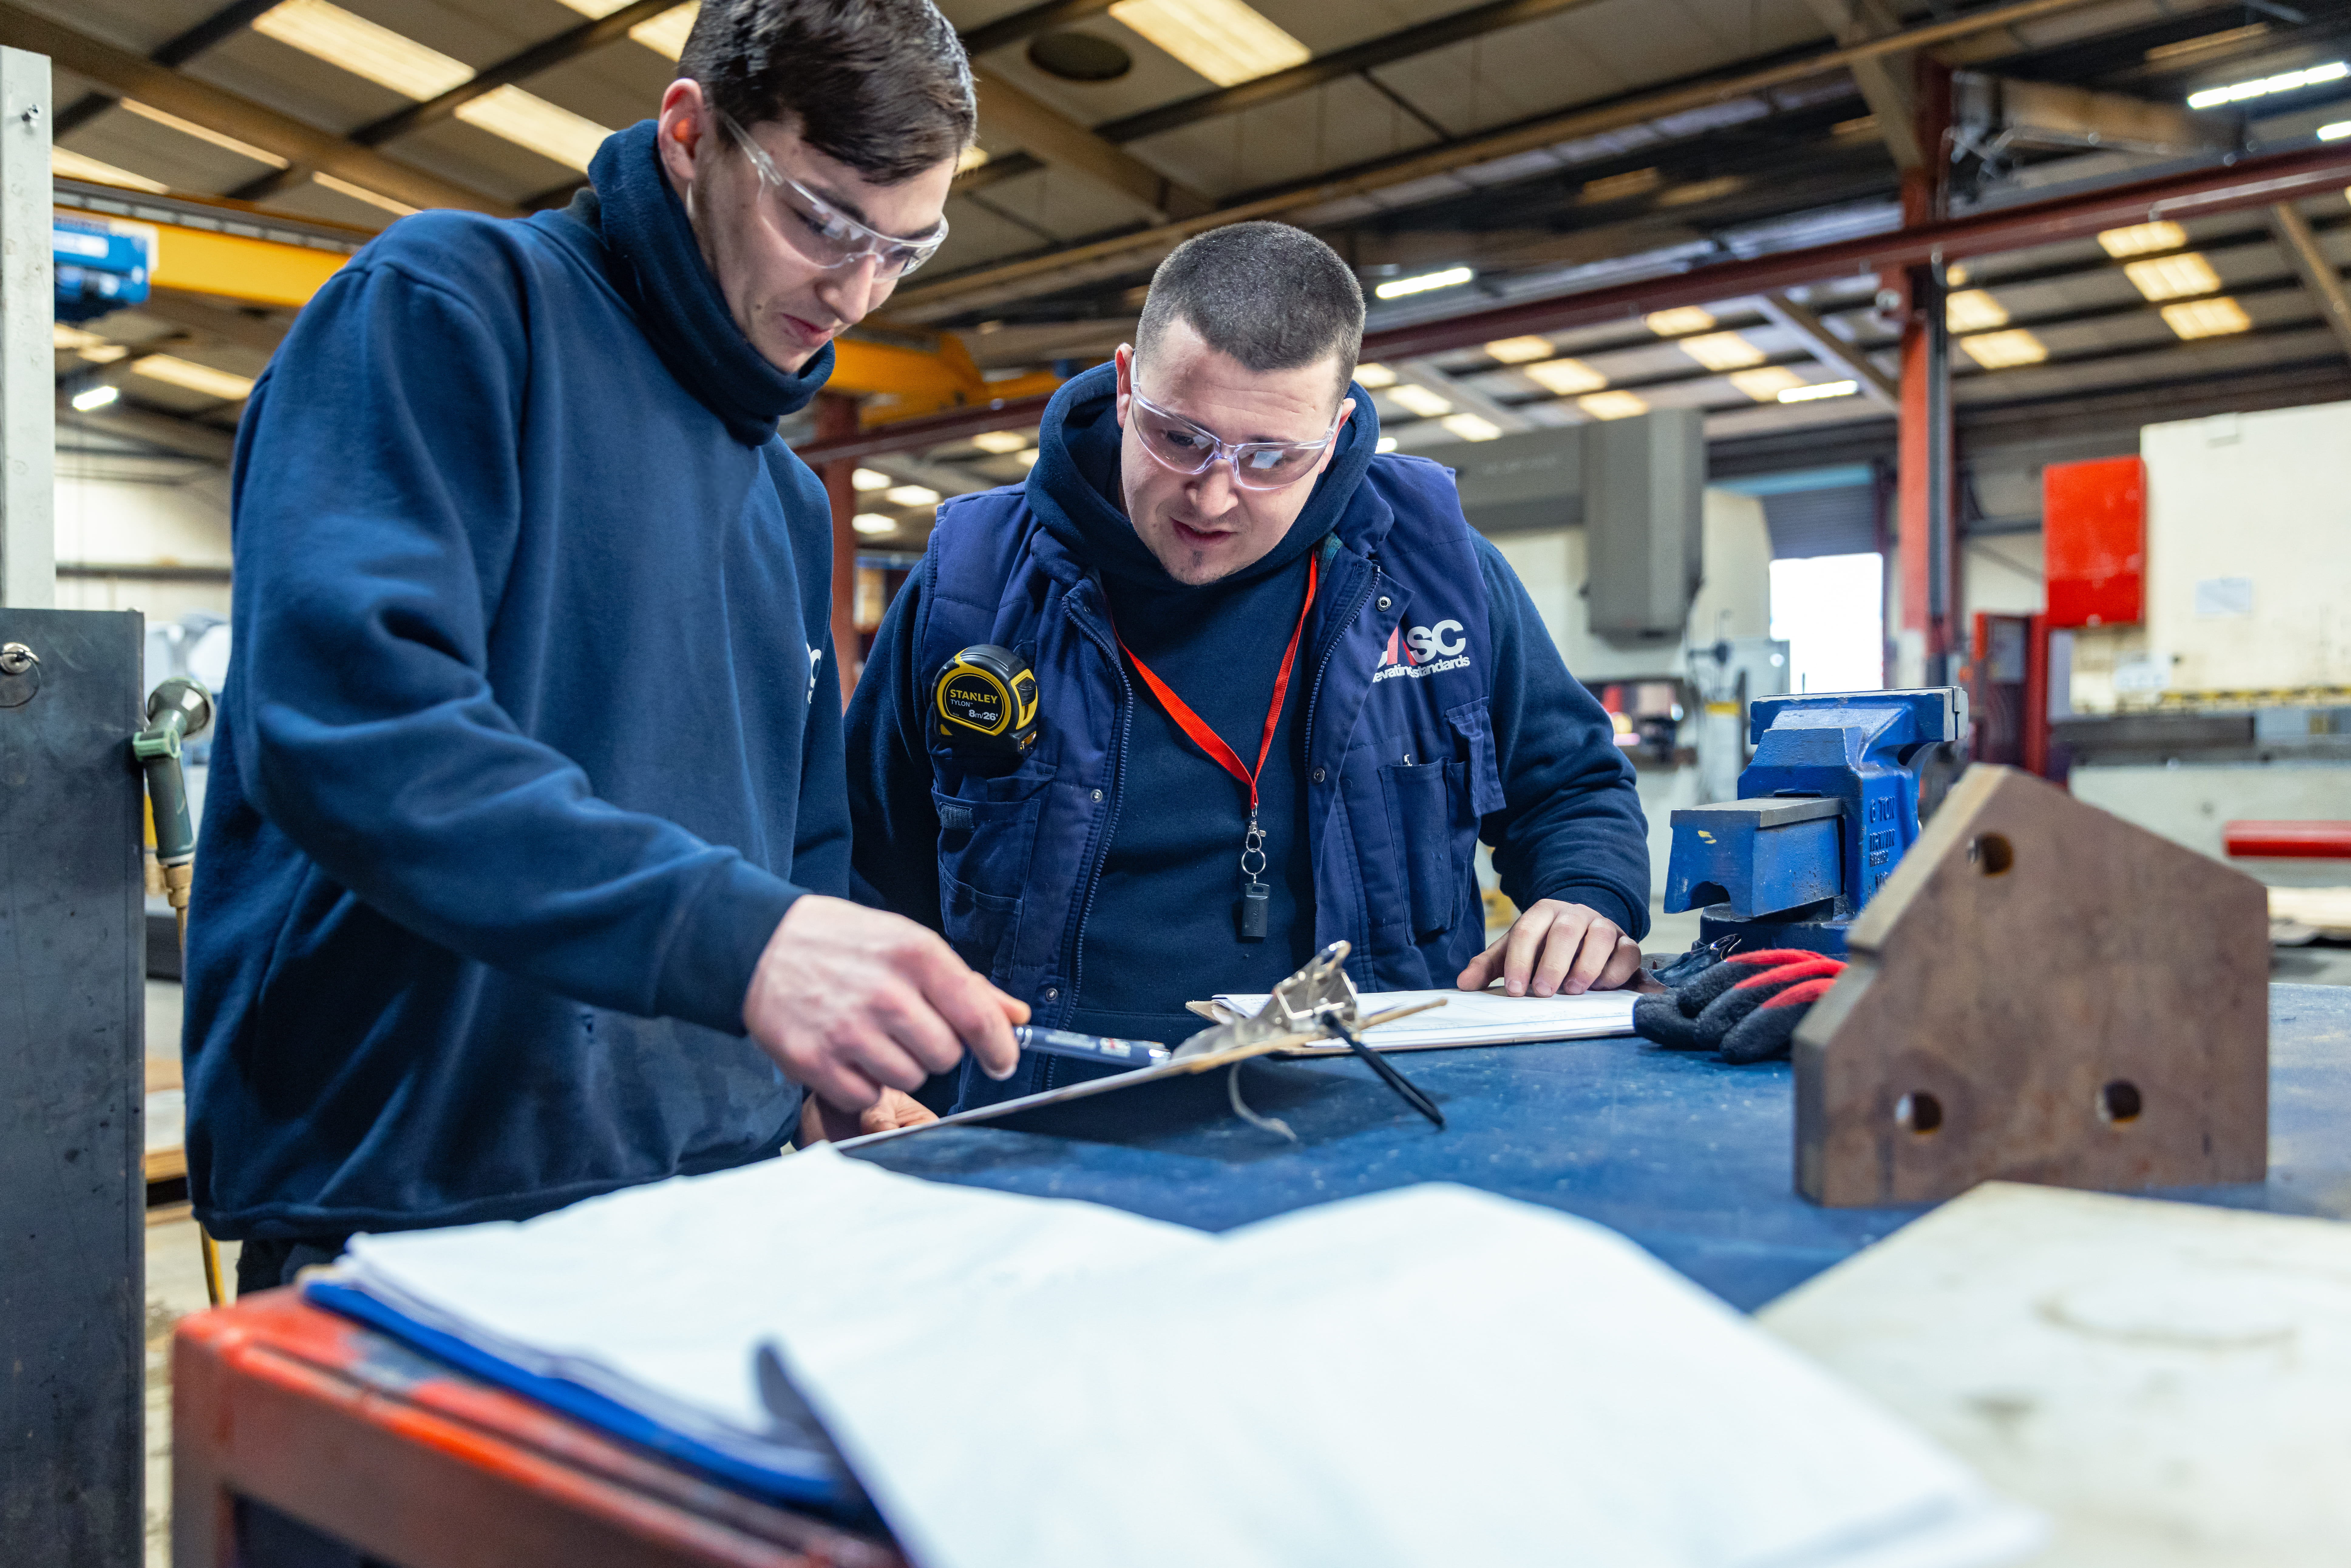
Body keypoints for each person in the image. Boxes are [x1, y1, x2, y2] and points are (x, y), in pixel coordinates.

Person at [184, 0, 1022, 1297]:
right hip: (418, 1202)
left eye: (904, 253)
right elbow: (357, 726)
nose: (855, 292)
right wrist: (736, 942)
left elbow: (794, 842)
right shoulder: (451, 309)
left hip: (715, 1193)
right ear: (691, 135)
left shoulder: (789, 502)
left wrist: (806, 1069)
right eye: (819, 223)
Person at [846, 222, 1653, 1111]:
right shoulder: (973, 583)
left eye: (1272, 458)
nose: (1214, 495)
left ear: (1337, 430)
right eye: (1179, 438)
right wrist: (861, 1072)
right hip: (1034, 1117)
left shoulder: (1438, 578)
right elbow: (861, 864)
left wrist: (1586, 895)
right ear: (1123, 387)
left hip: (1373, 1115)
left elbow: (1571, 785)